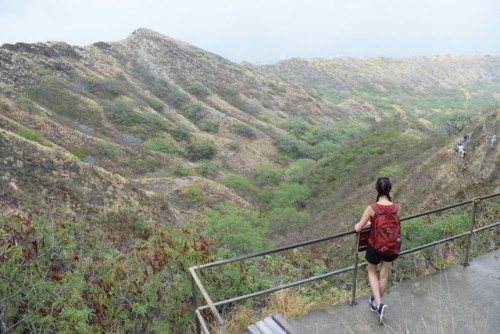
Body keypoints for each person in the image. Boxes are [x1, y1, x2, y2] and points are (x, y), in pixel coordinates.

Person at [354, 177, 400, 325]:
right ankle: (376, 302)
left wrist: (367, 222)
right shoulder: (397, 208)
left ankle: (378, 305)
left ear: (377, 189)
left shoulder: (372, 208)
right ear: (390, 189)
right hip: (392, 246)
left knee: (372, 272)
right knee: (384, 275)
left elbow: (358, 228)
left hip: (375, 246)